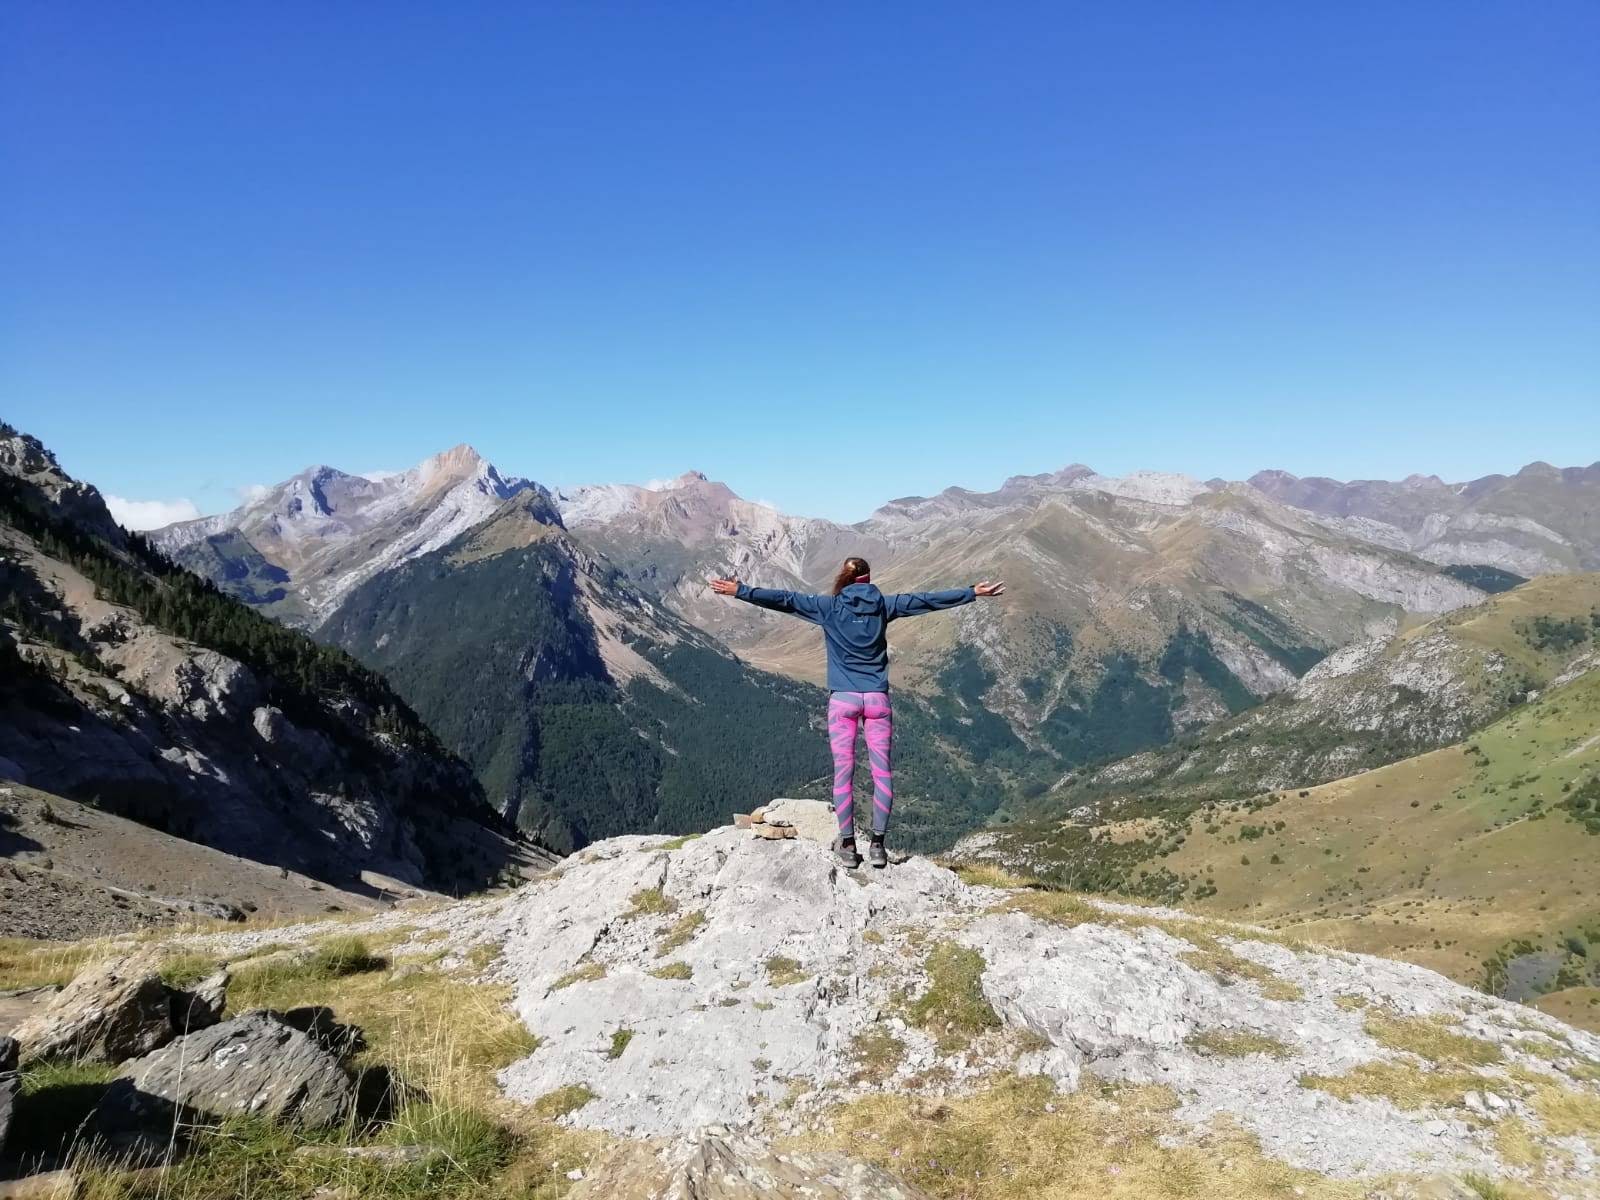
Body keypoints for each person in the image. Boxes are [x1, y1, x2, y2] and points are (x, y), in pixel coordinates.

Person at [709, 557, 1005, 869]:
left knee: (844, 774)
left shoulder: (828, 607)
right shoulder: (884, 605)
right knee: (883, 773)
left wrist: (740, 590)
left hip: (843, 702)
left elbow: (784, 599)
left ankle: (848, 844)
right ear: (868, 578)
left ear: (845, 577)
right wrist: (972, 592)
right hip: (877, 700)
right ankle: (878, 845)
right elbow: (926, 601)